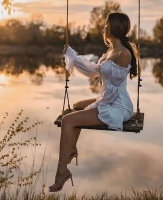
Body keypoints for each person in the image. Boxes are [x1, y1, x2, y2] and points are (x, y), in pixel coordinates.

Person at [49, 12, 138, 192]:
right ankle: (72, 149)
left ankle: (61, 172)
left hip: (118, 105)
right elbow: (93, 71)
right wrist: (72, 55)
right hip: (109, 98)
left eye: (107, 23)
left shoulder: (123, 53)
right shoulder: (111, 51)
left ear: (115, 27)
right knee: (76, 107)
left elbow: (114, 86)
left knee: (68, 120)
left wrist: (99, 104)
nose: (104, 27)